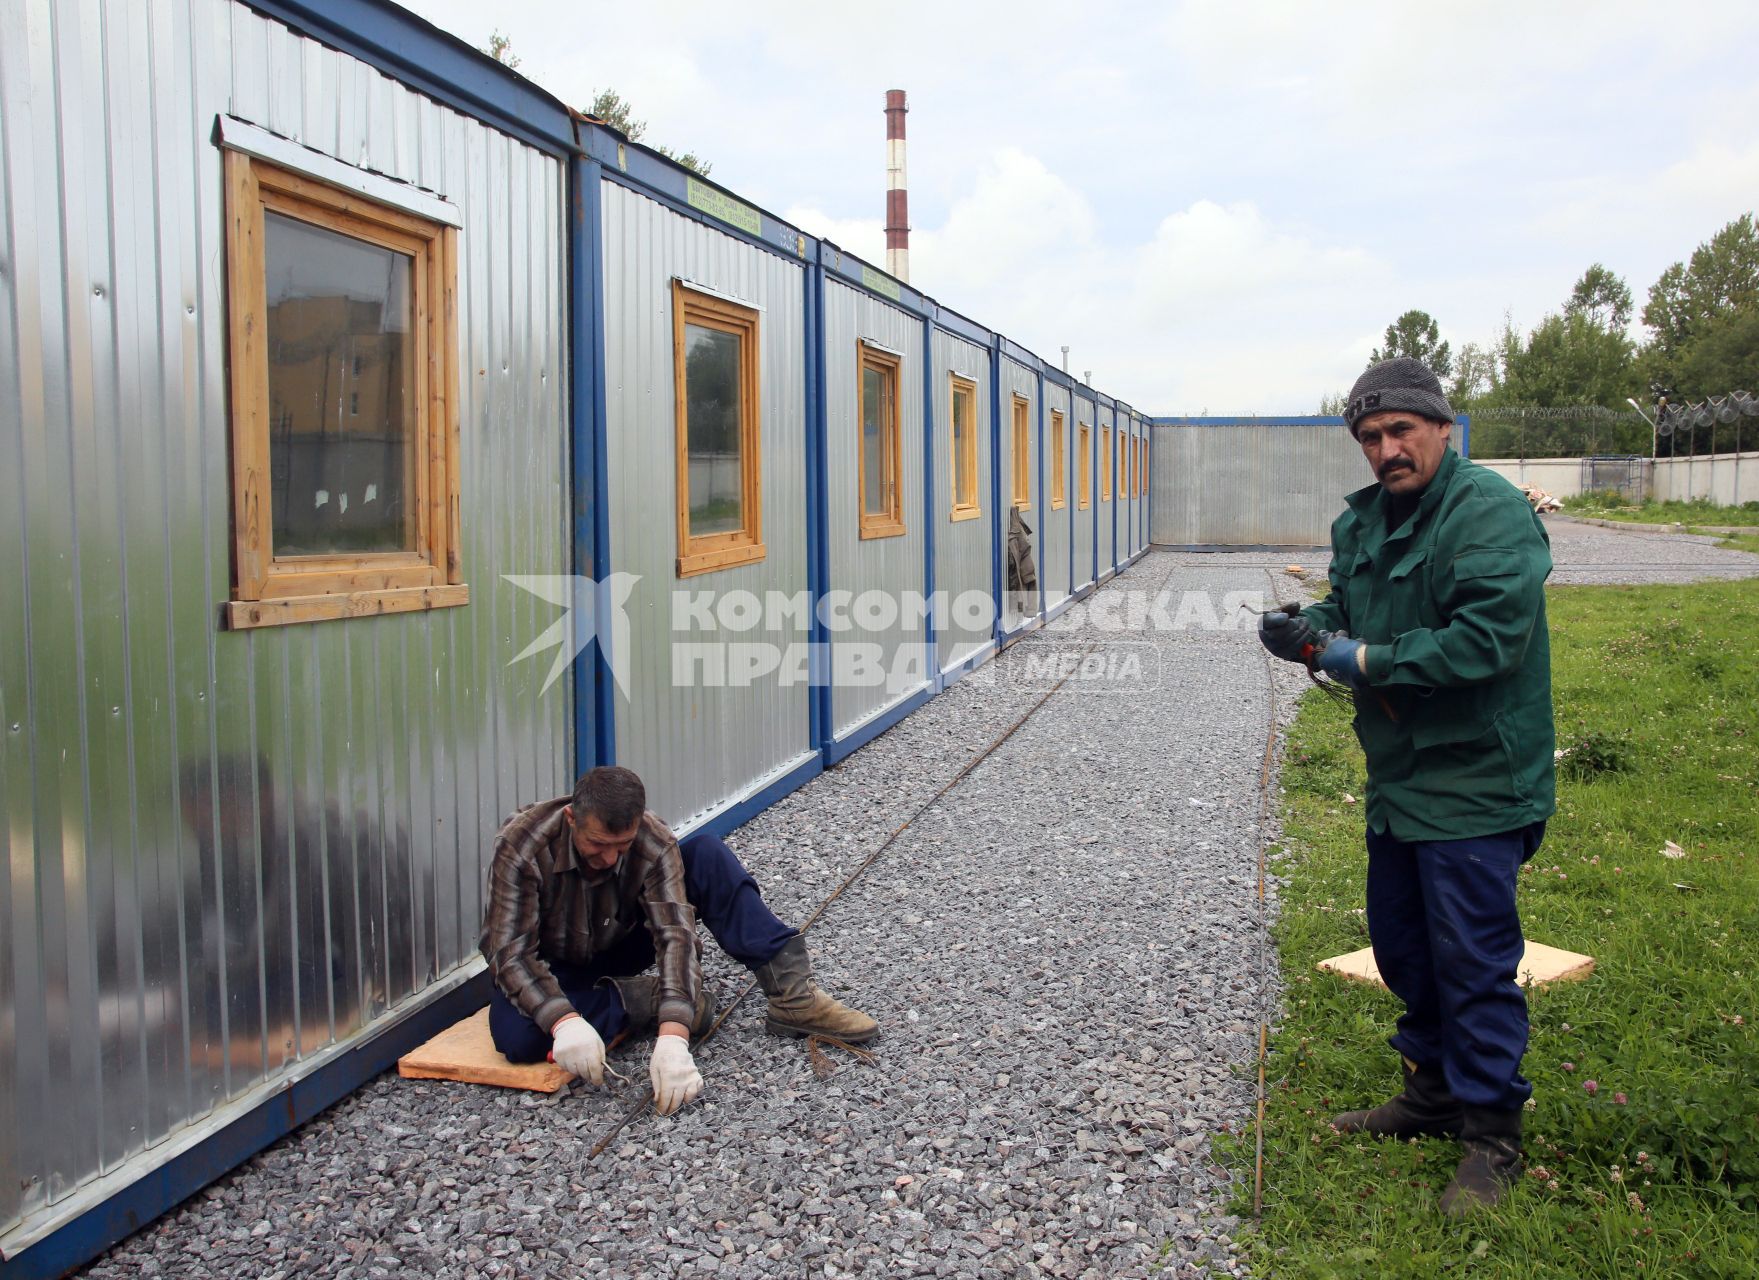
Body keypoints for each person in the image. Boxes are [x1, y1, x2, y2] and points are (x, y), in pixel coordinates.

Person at [1260, 357, 1555, 1217]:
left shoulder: (1488, 511)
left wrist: (1361, 660)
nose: (1387, 450)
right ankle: (1430, 1092)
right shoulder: (1363, 524)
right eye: (1369, 437)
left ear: (1440, 429)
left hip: (1477, 776)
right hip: (1400, 776)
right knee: (1402, 944)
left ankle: (1492, 1131)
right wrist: (1305, 629)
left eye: (1400, 432)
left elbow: (1483, 643)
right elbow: (1344, 607)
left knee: (1472, 957)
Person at [480, 765, 877, 1115]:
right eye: (598, 845)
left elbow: (675, 936)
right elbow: (508, 951)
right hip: (556, 964)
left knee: (707, 854)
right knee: (517, 1039)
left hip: (621, 941)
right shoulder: (523, 844)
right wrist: (564, 1021)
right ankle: (646, 998)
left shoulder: (652, 839)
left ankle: (794, 998)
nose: (610, 858)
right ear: (571, 819)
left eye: (622, 846)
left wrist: (674, 1037)